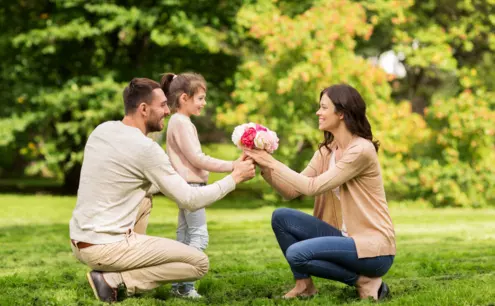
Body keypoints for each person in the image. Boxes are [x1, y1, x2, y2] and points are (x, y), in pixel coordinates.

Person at [69, 78, 255, 303]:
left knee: (145, 200)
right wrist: (234, 178)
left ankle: (117, 268)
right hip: (106, 248)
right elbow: (190, 199)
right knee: (198, 263)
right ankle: (117, 280)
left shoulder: (103, 130)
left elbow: (138, 180)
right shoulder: (146, 149)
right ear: (144, 109)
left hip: (79, 240)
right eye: (163, 105)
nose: (168, 110)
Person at [245, 84, 396, 301]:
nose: (318, 112)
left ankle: (364, 280)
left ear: (341, 113)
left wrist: (272, 161)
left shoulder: (361, 150)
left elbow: (312, 186)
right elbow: (291, 191)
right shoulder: (327, 151)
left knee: (297, 254)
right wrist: (265, 166)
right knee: (281, 217)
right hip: (343, 238)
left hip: (373, 249)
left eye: (324, 107)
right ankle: (304, 285)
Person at [159, 72, 241, 298]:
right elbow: (197, 158)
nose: (204, 104)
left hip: (186, 185)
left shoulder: (179, 121)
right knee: (199, 236)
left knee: (184, 237)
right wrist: (232, 165)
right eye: (200, 98)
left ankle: (177, 287)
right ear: (184, 98)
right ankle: (187, 286)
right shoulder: (181, 122)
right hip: (190, 187)